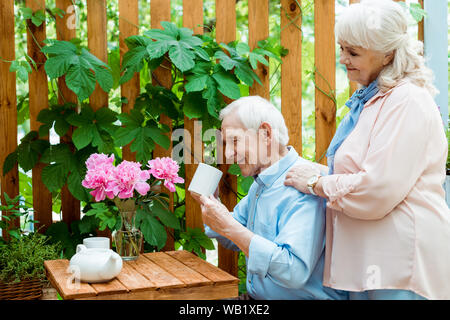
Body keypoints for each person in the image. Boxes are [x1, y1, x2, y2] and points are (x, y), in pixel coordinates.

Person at [283, 0, 450, 300]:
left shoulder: (407, 101)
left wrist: (315, 184)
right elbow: (361, 173)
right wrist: (314, 173)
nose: (343, 58)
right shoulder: (373, 100)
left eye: (354, 52)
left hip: (399, 265)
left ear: (387, 53)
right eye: (342, 48)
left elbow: (377, 188)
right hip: (373, 263)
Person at [190, 96, 348, 300]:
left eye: (234, 141)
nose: (228, 154)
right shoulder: (263, 183)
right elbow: (236, 231)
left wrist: (228, 225)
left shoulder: (304, 184)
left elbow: (293, 271)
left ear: (265, 133)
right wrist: (212, 205)